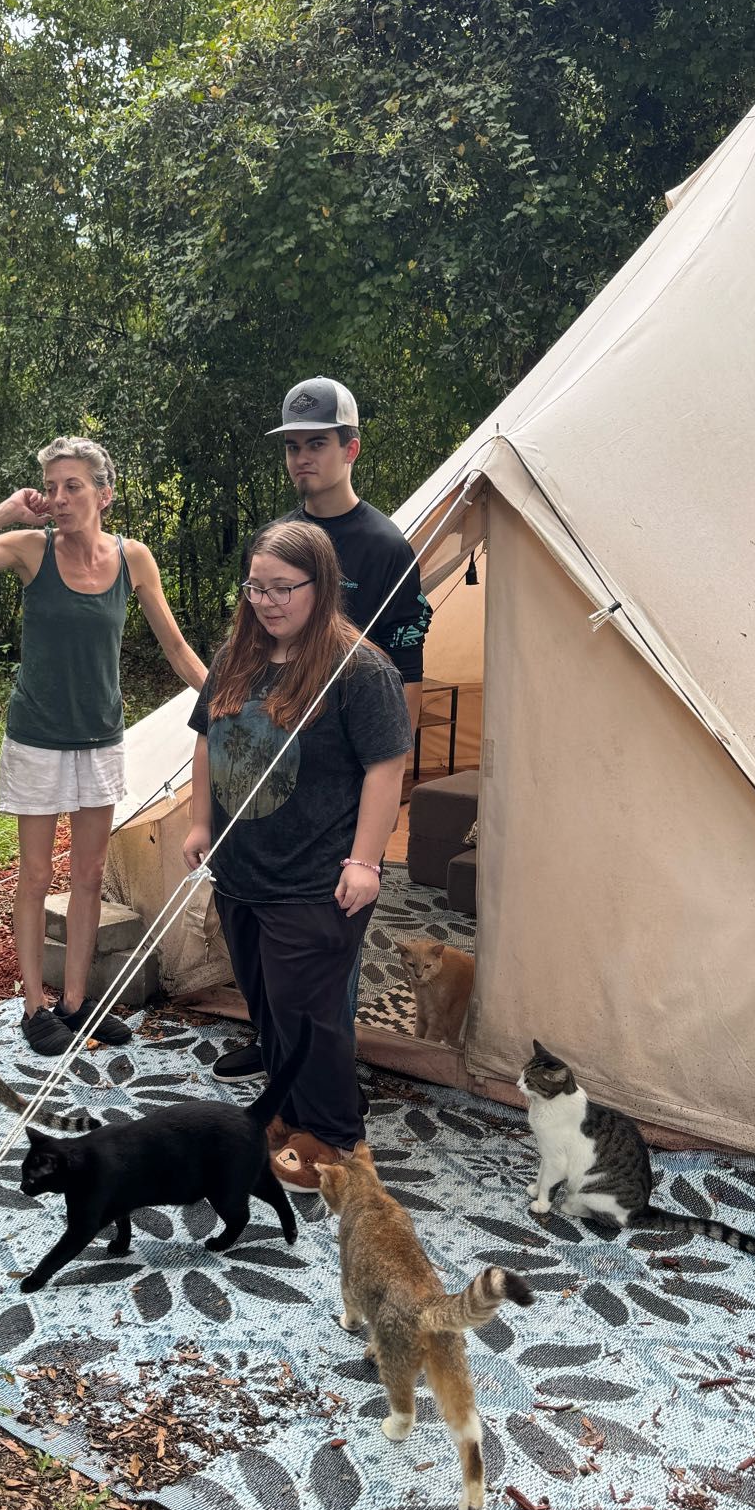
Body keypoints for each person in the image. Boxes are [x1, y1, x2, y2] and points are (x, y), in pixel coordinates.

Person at [0, 437, 206, 1055]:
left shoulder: (134, 559)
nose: (58, 498)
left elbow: (176, 647)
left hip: (101, 738)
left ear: (104, 494)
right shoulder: (30, 549)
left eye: (72, 485)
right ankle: (35, 1004)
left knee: (90, 874)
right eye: (50, 487)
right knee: (33, 874)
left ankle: (77, 1002)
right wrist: (5, 511)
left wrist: (226, 699)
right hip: (38, 739)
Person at [214, 376, 430, 1081]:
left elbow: (405, 676)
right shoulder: (278, 543)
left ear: (350, 448)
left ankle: (329, 1085)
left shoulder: (385, 547)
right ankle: (273, 1045)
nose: (303, 458)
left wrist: (387, 792)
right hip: (273, 770)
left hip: (341, 777)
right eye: (293, 447)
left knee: (323, 938)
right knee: (260, 932)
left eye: (317, 444)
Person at [182, 518, 410, 1185]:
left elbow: (386, 767)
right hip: (242, 870)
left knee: (309, 1016)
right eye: (256, 586)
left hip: (317, 879)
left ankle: (335, 1138)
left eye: (283, 587)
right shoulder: (236, 656)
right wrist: (200, 824)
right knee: (268, 1006)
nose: (267, 601)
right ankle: (290, 1113)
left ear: (322, 585)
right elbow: (206, 740)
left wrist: (366, 861)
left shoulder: (359, 670)